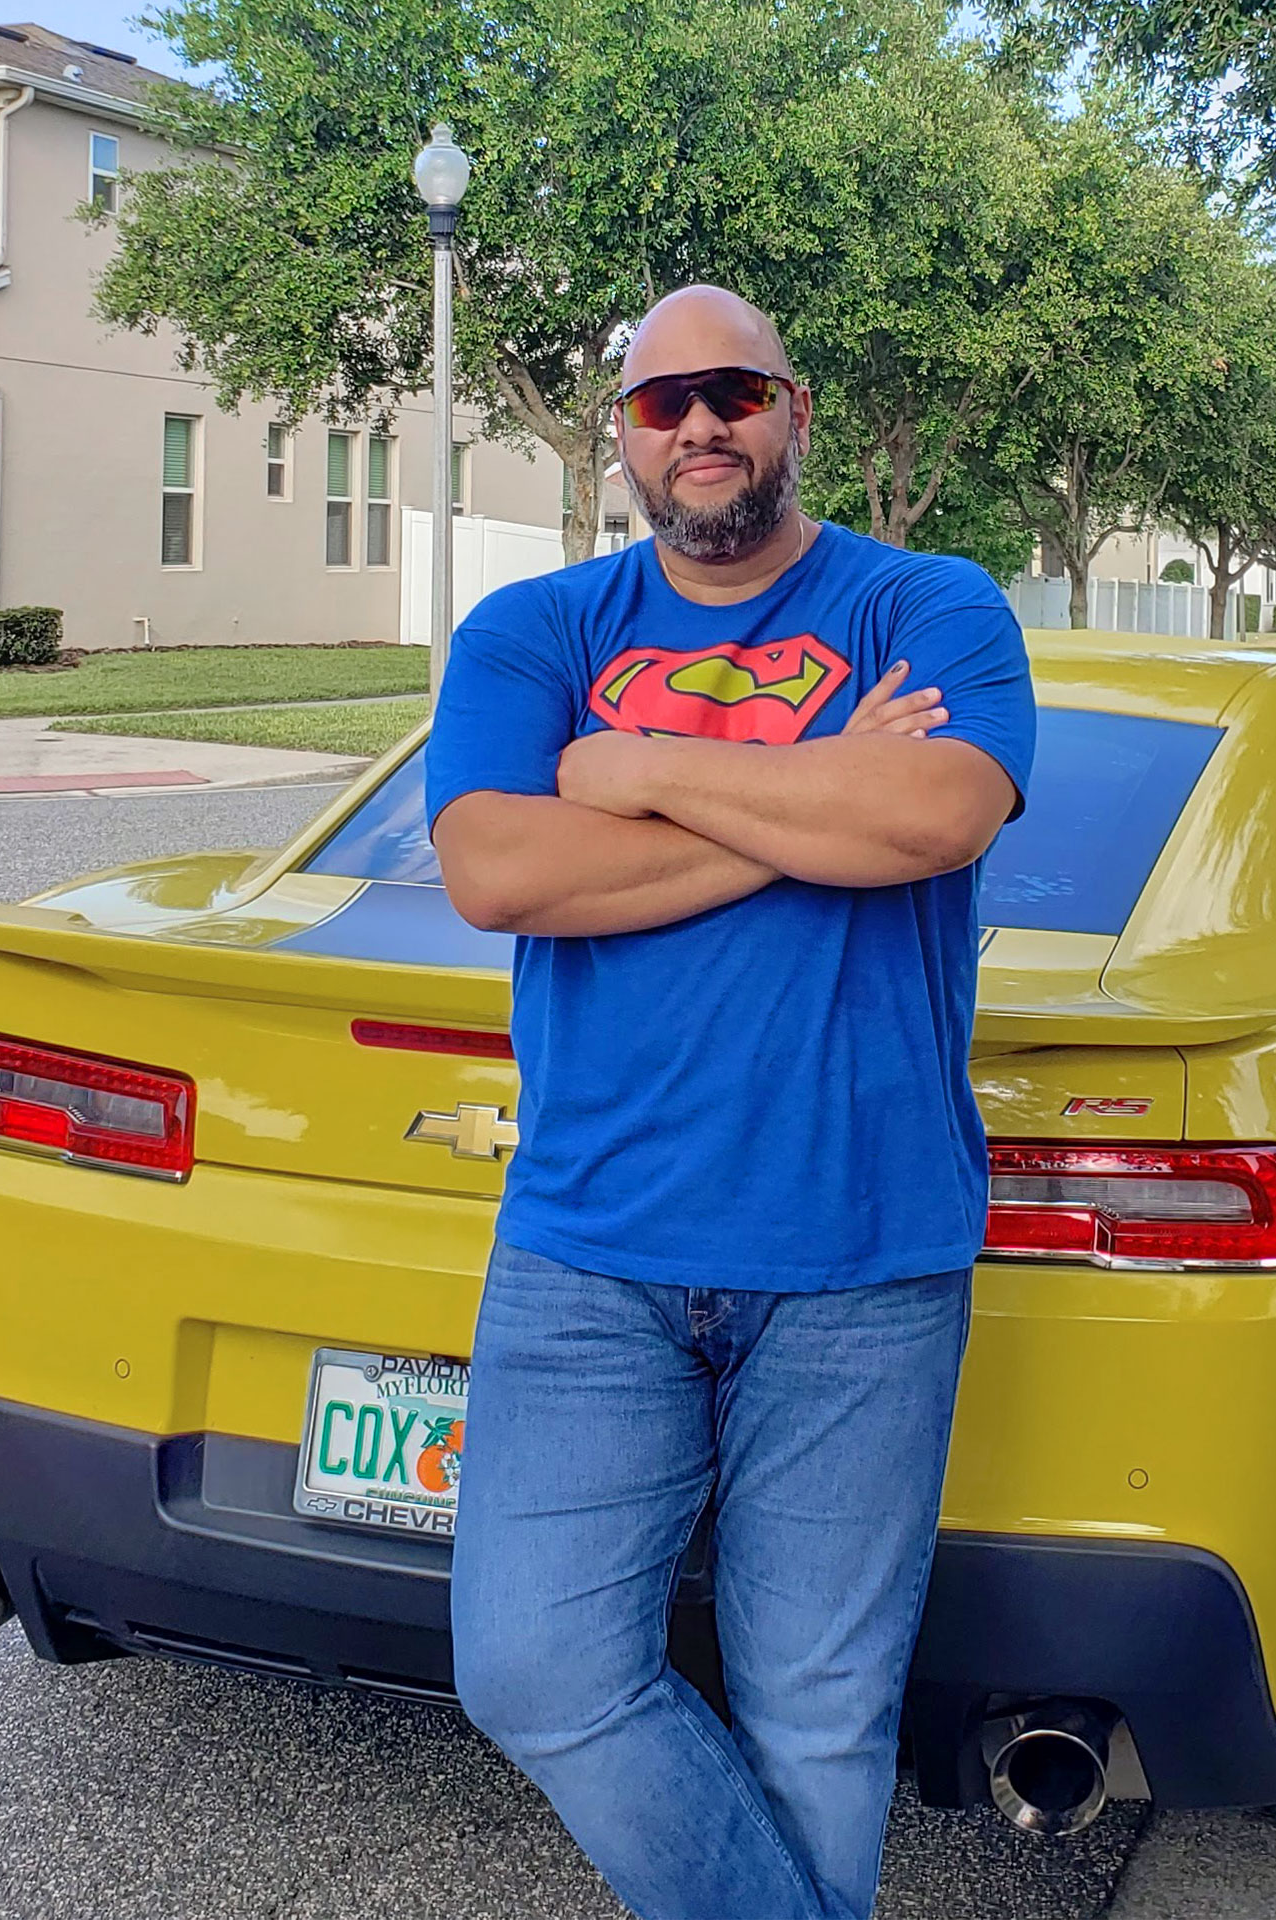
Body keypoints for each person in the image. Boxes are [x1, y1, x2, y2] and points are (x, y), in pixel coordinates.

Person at [426, 284, 1036, 1920]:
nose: (699, 424)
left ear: (793, 409)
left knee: (818, 1720)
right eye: (660, 402)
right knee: (534, 1666)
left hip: (863, 1251)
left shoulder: (929, 601)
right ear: (623, 436)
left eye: (735, 392)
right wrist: (817, 799)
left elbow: (936, 814)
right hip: (590, 1251)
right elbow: (496, 870)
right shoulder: (536, 632)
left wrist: (631, 771)